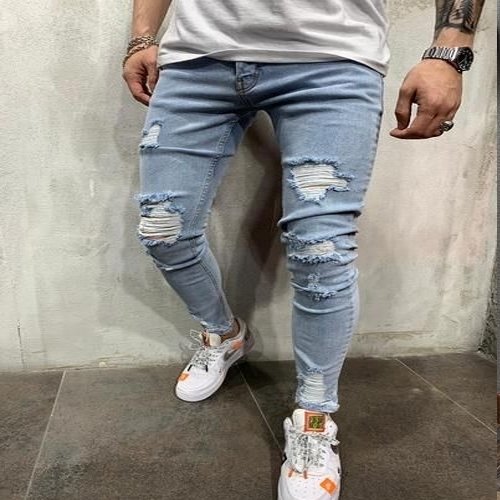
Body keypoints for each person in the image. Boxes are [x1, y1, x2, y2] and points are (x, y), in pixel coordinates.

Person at [122, 1, 484, 498]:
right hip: (196, 60)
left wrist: (449, 50)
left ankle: (314, 420)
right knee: (163, 230)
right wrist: (142, 37)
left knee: (321, 252)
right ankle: (224, 335)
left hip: (332, 59)